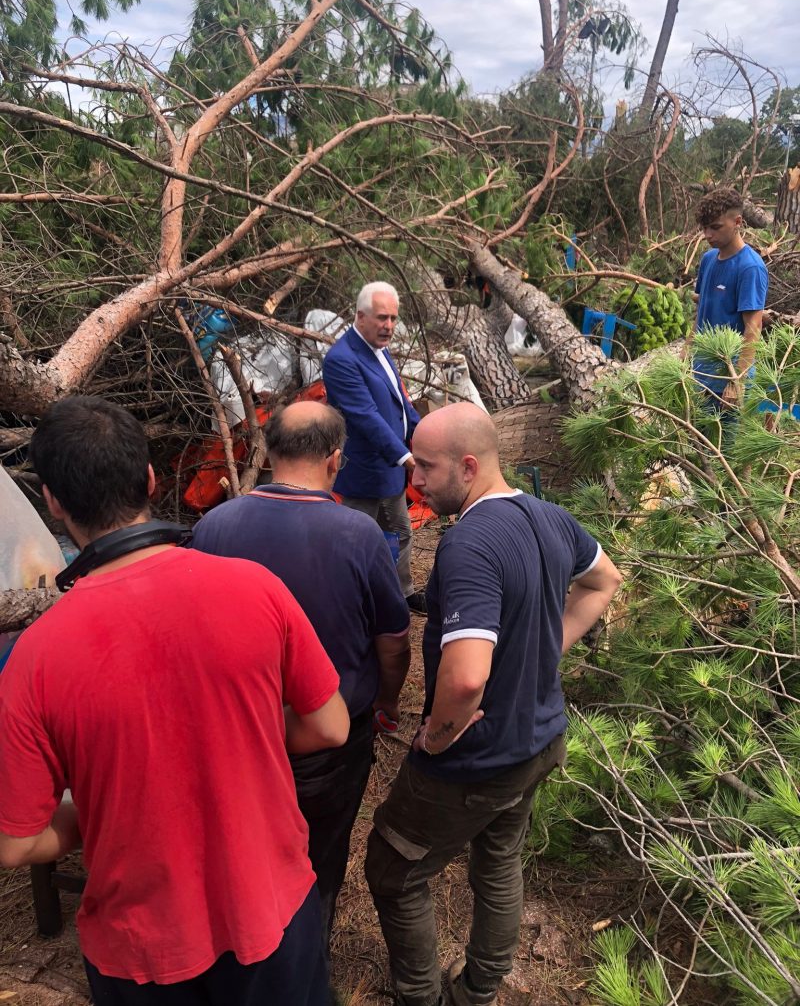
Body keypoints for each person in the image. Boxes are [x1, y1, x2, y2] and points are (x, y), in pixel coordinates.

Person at [0, 396, 350, 1006]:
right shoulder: (256, 588)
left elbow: (17, 843)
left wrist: (108, 802)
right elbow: (331, 725)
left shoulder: (34, 657)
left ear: (52, 503)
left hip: (142, 954)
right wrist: (243, 741)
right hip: (274, 914)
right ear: (152, 480)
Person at [364, 403, 622, 1006]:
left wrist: (437, 736)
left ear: (470, 465)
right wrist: (544, 645)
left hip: (478, 758)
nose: (416, 480)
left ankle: (421, 997)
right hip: (538, 739)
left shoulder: (470, 545)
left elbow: (465, 680)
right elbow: (604, 580)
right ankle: (480, 990)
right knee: (500, 859)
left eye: (426, 467)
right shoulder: (551, 517)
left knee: (393, 870)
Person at [192, 401, 411, 955]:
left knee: (240, 849)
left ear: (267, 453)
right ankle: (303, 963)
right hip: (329, 740)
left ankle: (243, 951)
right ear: (336, 460)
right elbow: (392, 642)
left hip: (236, 732)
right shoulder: (358, 535)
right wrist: (386, 704)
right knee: (319, 858)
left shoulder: (214, 525)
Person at [322, 281, 424, 611]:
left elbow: (399, 403)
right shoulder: (342, 358)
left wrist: (424, 435)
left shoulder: (378, 348)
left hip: (389, 469)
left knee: (400, 531)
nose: (389, 326)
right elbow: (364, 416)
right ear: (360, 316)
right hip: (366, 471)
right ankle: (355, 603)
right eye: (382, 318)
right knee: (357, 541)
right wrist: (406, 457)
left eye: (393, 318)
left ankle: (401, 594)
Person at [688, 187, 768, 409]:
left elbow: (753, 327)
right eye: (704, 228)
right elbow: (703, 310)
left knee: (724, 443)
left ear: (738, 222)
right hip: (700, 373)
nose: (708, 235)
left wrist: (737, 381)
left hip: (727, 379)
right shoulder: (708, 260)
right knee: (696, 440)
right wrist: (687, 348)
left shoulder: (750, 267)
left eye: (715, 227)